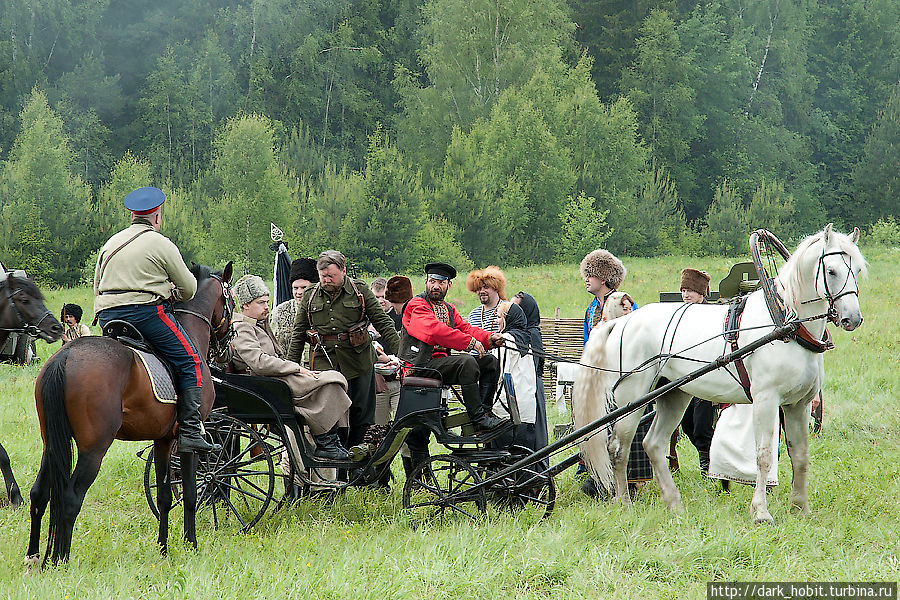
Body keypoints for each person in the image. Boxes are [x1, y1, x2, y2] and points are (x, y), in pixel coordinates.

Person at [93, 186, 217, 453]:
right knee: (190, 360)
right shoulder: (161, 243)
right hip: (145, 315)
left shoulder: (111, 243)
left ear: (132, 215)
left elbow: (97, 285)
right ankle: (191, 431)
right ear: (157, 217)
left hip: (107, 316)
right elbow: (189, 289)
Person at [287, 250, 400, 449]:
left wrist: (402, 356)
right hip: (324, 365)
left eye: (332, 276)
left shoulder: (360, 291)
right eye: (323, 276)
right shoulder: (310, 295)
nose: (327, 280)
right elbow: (298, 334)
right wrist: (290, 369)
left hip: (358, 362)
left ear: (343, 271)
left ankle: (358, 465)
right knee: (331, 417)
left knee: (361, 416)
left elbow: (383, 322)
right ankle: (335, 465)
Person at [230, 275, 351, 460]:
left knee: (333, 380)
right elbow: (259, 363)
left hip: (275, 380)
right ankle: (326, 442)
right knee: (331, 381)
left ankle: (329, 440)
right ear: (246, 305)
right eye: (260, 302)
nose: (266, 307)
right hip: (267, 384)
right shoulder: (242, 327)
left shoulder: (259, 325)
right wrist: (295, 368)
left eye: (266, 302)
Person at [399, 262, 507, 465]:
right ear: (426, 282)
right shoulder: (416, 305)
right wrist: (469, 343)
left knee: (489, 361)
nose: (435, 286)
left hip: (440, 366)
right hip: (420, 366)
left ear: (448, 285)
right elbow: (433, 331)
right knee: (466, 362)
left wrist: (488, 338)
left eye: (440, 283)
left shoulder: (448, 309)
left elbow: (466, 328)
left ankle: (483, 413)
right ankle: (477, 419)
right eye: (432, 282)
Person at [675, 268, 717, 476]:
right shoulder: (681, 315)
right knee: (687, 424)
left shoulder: (711, 315)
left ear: (701, 293)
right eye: (683, 290)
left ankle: (708, 468)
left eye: (690, 290)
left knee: (702, 428)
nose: (686, 294)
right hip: (685, 376)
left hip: (708, 376)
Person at [490, 301, 541, 452]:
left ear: (508, 319)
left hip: (508, 408)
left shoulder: (506, 340)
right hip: (526, 406)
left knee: (505, 454)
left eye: (499, 317)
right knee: (522, 454)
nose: (496, 321)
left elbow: (498, 373)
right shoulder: (526, 339)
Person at [510, 291, 550, 460]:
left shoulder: (531, 334)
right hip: (526, 387)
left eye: (516, 308)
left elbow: (531, 368)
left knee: (532, 435)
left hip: (529, 388)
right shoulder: (521, 333)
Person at [270, 258, 318, 352]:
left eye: (304, 287)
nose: (299, 292)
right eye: (295, 288)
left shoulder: (326, 309)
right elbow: (274, 346)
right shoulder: (280, 312)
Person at [465, 266, 507, 333]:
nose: (482, 291)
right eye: (478, 288)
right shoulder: (473, 315)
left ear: (495, 287)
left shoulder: (508, 309)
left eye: (486, 287)